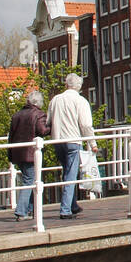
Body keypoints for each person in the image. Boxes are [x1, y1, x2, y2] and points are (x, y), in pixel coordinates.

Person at [46, 73, 96, 219]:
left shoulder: (55, 100)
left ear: (66, 85)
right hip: (73, 141)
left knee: (66, 172)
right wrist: (92, 143)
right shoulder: (81, 101)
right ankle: (65, 209)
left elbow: (48, 121)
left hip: (57, 141)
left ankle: (72, 204)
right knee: (71, 175)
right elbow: (86, 125)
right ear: (79, 87)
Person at [8, 90, 48, 221]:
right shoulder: (38, 114)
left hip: (18, 152)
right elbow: (42, 130)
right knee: (29, 181)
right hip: (31, 153)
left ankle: (30, 209)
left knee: (28, 179)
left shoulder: (17, 115)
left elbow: (11, 136)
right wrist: (52, 127)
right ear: (38, 102)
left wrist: (10, 155)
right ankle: (21, 211)